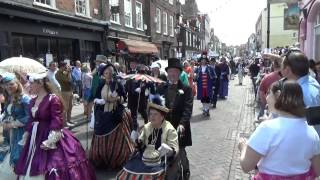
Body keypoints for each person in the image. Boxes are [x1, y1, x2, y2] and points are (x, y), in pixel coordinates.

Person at [15, 72, 96, 180]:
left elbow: (57, 120)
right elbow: (31, 119)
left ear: (40, 83)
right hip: (35, 137)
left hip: (51, 135)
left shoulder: (52, 99)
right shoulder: (33, 101)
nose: (29, 86)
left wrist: (51, 140)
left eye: (32, 83)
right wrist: (27, 133)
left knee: (54, 164)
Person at [238, 81, 320, 178]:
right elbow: (317, 170)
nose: (266, 97)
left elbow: (246, 166)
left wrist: (243, 147)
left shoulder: (267, 128)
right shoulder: (311, 131)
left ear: (277, 95)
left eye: (269, 93)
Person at [117, 95, 179, 179]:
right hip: (145, 158)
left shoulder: (169, 129)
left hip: (161, 161)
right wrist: (136, 140)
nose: (152, 117)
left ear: (162, 116)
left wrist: (169, 150)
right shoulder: (147, 127)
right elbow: (140, 143)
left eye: (155, 114)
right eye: (150, 114)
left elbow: (174, 149)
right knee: (127, 173)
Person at [89, 64, 134, 169]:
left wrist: (118, 98)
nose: (108, 75)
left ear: (113, 73)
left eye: (110, 72)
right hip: (103, 113)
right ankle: (102, 158)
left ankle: (118, 158)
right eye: (106, 73)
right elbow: (95, 97)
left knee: (119, 136)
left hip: (115, 112)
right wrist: (98, 100)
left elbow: (124, 97)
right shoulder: (101, 84)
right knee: (100, 133)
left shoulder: (117, 84)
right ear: (103, 75)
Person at [157, 58, 193, 179]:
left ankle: (186, 170)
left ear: (179, 73)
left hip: (179, 126)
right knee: (166, 150)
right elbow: (156, 106)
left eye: (175, 71)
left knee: (180, 151)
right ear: (168, 73)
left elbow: (188, 109)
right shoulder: (161, 87)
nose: (172, 74)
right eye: (170, 71)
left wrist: (182, 124)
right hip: (165, 126)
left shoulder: (186, 89)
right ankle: (170, 173)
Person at [280, 50, 320, 136]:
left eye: (281, 66)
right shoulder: (312, 81)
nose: (280, 69)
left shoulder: (298, 93)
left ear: (287, 70)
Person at [0, 74, 30, 180]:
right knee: (13, 154)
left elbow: (30, 117)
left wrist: (13, 124)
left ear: (17, 84)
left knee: (21, 156)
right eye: (6, 85)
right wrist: (4, 121)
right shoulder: (9, 98)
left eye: (11, 84)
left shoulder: (25, 98)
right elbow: (7, 113)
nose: (8, 87)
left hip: (23, 133)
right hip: (12, 133)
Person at [55, 62, 74, 127]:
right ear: (62, 67)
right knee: (65, 108)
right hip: (64, 92)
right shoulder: (58, 74)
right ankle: (64, 123)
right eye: (65, 67)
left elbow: (71, 80)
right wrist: (68, 72)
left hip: (69, 91)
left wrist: (69, 72)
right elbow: (68, 80)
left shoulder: (64, 72)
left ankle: (69, 120)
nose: (66, 68)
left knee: (70, 107)